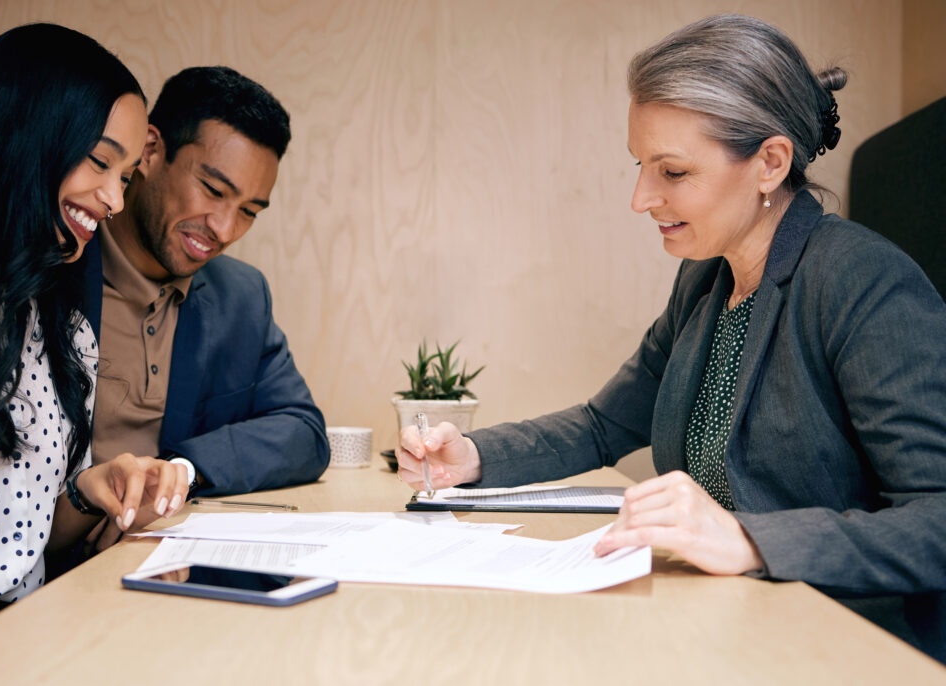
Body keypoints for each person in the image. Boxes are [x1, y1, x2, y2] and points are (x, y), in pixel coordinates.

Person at [397, 14, 946, 660]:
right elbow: (604, 426)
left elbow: (936, 517)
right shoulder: (704, 283)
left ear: (770, 162)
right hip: (724, 624)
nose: (640, 198)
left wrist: (748, 539)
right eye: (640, 166)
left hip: (842, 643)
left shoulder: (861, 281)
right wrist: (473, 458)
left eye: (672, 172)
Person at [0, 24, 188, 656]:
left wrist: (91, 491)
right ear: (19, 139)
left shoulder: (63, 330)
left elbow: (31, 545)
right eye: (100, 161)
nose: (114, 199)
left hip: (30, 638)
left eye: (124, 175)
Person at [76, 66, 328, 550]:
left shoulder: (240, 296)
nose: (226, 228)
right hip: (31, 578)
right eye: (213, 190)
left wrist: (182, 472)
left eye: (250, 211)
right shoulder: (54, 267)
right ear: (150, 150)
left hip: (156, 565)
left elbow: (304, 433)